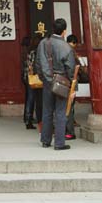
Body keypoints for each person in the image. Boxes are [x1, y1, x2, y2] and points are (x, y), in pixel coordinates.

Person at [36, 19, 76, 150]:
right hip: (62, 81)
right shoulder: (66, 47)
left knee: (47, 111)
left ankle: (45, 140)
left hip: (48, 81)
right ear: (64, 31)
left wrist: (44, 78)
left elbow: (38, 64)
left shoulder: (43, 43)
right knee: (60, 111)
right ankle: (59, 142)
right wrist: (71, 85)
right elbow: (70, 68)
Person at [65, 34, 88, 140]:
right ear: (74, 43)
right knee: (70, 106)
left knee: (65, 106)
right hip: (72, 81)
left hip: (64, 81)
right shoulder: (71, 52)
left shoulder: (62, 49)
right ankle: (69, 130)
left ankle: (66, 128)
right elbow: (76, 67)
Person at [22, 34, 42, 130]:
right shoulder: (36, 52)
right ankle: (29, 119)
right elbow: (34, 66)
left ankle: (27, 118)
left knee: (30, 98)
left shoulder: (29, 51)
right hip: (33, 77)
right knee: (32, 98)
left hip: (27, 77)